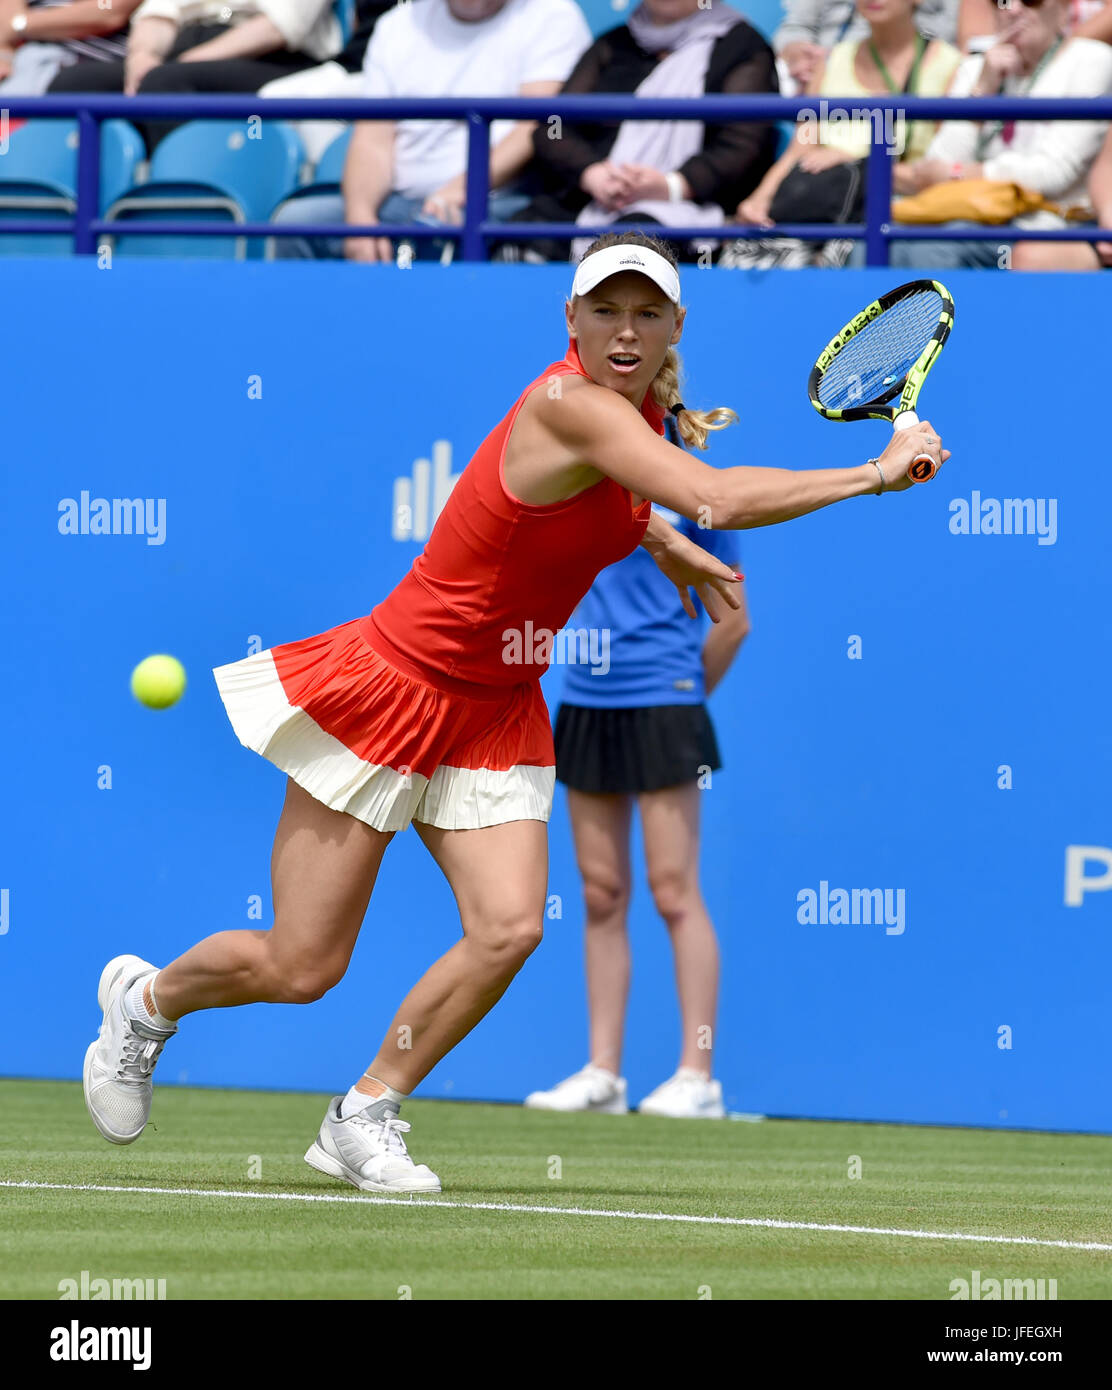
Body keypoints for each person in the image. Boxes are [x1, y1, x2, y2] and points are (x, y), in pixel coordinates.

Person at [81, 230, 948, 1195]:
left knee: (510, 926)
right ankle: (147, 1002)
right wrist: (875, 472)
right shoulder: (569, 405)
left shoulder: (636, 420)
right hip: (395, 687)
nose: (626, 331)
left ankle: (364, 1114)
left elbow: (624, 497)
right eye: (605, 310)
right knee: (300, 965)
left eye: (646, 313)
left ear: (675, 326)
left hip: (497, 708)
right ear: (569, 319)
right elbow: (713, 494)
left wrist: (661, 542)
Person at [525, 423, 749, 1119]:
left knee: (674, 891)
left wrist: (681, 695)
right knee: (599, 893)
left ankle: (697, 1077)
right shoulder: (577, 475)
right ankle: (603, 1074)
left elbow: (733, 617)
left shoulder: (694, 491)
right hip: (585, 702)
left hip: (666, 701)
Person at [269, 0, 592, 262]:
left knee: (436, 232)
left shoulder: (553, 16)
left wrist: (456, 193)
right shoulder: (397, 24)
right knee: (298, 222)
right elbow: (372, 139)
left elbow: (535, 128)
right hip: (401, 204)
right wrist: (360, 219)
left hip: (501, 204)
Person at [491, 0, 779, 266]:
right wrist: (591, 174)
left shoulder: (743, 47)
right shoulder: (613, 44)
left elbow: (745, 144)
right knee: (522, 237)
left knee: (631, 248)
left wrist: (671, 186)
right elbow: (553, 128)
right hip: (593, 199)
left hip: (687, 208)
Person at [728, 0, 961, 268]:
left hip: (894, 217)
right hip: (817, 211)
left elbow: (933, 172)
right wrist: (759, 200)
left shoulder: (951, 65)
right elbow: (799, 148)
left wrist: (850, 157)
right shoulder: (831, 60)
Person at [884, 0, 1112, 269]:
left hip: (1042, 223)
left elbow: (1053, 173)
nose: (1014, 9)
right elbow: (936, 165)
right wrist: (982, 90)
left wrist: (958, 173)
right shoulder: (977, 66)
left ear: (1062, 11)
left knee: (935, 249)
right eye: (1001, 2)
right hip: (965, 212)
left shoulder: (1090, 59)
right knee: (876, 244)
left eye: (1031, 0)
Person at [46, 0, 341, 151]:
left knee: (166, 84)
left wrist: (182, 63)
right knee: (73, 85)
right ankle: (66, 215)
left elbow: (280, 27)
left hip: (274, 59)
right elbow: (158, 13)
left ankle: (179, 205)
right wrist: (143, 55)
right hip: (182, 50)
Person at [774, 0, 959, 93]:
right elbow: (795, 27)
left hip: (921, 65)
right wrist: (798, 52)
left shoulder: (946, 63)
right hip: (827, 68)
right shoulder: (833, 62)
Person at [1010, 121, 1112, 266]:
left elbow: (1050, 173)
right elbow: (1107, 169)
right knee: (1032, 257)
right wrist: (1108, 217)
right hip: (1098, 234)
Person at [0, 0, 142, 93]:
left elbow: (109, 10)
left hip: (94, 63)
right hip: (28, 63)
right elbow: (6, 15)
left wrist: (21, 24)